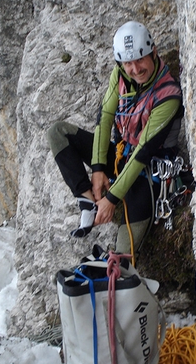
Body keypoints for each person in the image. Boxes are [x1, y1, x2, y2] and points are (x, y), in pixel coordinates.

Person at [46, 21, 183, 256]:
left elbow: (143, 152)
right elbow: (106, 117)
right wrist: (98, 169)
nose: (135, 69)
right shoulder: (119, 75)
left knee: (121, 258)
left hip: (149, 177)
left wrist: (110, 199)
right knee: (58, 133)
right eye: (128, 62)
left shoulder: (168, 95)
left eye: (140, 59)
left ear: (154, 52)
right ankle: (87, 203)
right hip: (121, 156)